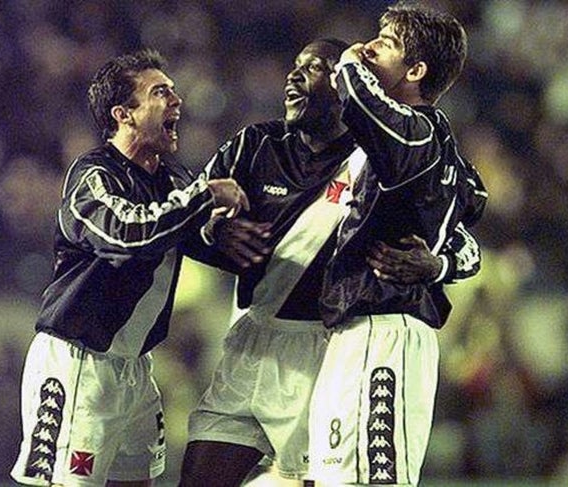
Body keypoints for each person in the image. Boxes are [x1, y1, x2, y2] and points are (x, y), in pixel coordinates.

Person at [179, 36, 482, 486]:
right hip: (249, 341)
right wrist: (214, 230)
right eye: (295, 64)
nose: (294, 75)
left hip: (323, 353)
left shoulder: (379, 161)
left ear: (344, 85)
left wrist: (437, 265)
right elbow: (184, 214)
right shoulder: (254, 145)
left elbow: (466, 235)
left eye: (315, 67)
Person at [10, 48, 249, 487]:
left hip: (137, 368)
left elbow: (198, 236)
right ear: (124, 115)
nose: (176, 101)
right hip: (80, 363)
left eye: (173, 91)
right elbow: (127, 236)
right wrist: (205, 197)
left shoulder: (171, 180)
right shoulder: (92, 176)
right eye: (160, 93)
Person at [309, 2, 488, 485]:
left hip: (386, 331)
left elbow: (361, 101)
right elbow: (469, 236)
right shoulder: (432, 153)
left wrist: (348, 63)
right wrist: (441, 265)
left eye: (384, 44)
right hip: (356, 332)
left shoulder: (418, 136)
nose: (368, 48)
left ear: (415, 71)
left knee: (375, 479)